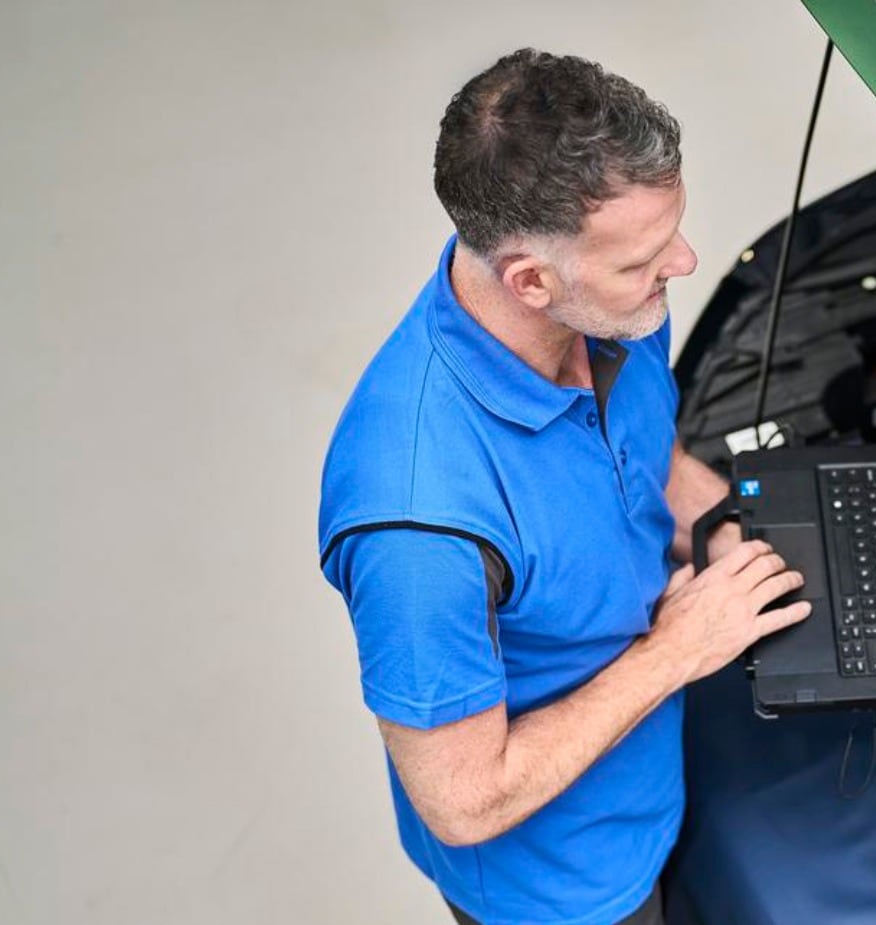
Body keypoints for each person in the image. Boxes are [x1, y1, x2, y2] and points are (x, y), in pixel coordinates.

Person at [316, 49, 809, 925]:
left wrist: (723, 524)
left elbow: (641, 452)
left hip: (657, 773)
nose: (685, 264)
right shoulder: (419, 523)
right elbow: (465, 800)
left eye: (673, 233)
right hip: (564, 887)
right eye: (644, 259)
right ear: (530, 281)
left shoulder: (610, 309)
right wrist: (677, 651)